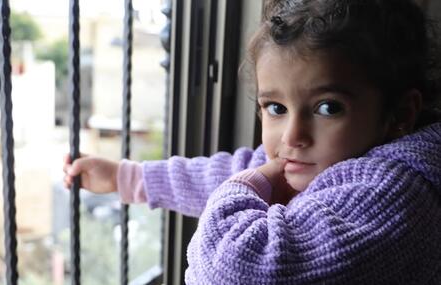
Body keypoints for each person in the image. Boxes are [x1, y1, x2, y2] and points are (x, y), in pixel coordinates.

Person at [64, 0, 441, 283]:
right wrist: (127, 177)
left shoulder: (393, 194)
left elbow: (233, 269)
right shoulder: (330, 159)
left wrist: (244, 185)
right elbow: (234, 172)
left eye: (328, 107)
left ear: (400, 114)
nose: (293, 136)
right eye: (275, 107)